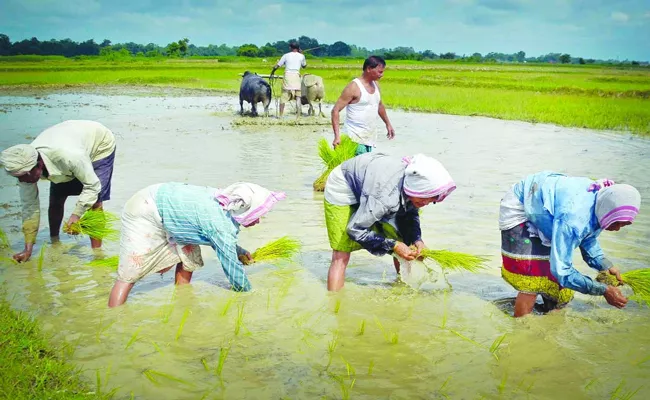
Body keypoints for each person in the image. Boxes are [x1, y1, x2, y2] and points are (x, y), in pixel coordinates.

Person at [108, 181, 286, 307]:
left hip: (169, 207)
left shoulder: (225, 203)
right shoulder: (220, 222)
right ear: (244, 210)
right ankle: (114, 317)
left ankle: (182, 298)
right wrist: (247, 294)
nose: (259, 220)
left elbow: (216, 238)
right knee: (130, 271)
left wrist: (239, 250)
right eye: (257, 214)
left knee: (189, 255)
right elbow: (231, 266)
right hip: (144, 208)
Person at [498, 171, 641, 317]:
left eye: (623, 225)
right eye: (616, 222)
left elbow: (587, 237)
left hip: (547, 208)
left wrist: (605, 265)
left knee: (558, 287)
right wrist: (603, 290)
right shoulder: (573, 218)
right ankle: (521, 327)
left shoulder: (600, 206)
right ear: (607, 210)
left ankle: (548, 316)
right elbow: (562, 271)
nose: (617, 229)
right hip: (523, 204)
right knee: (532, 277)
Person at [324, 152, 456, 291]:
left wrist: (417, 240)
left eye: (432, 199)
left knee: (403, 240)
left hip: (373, 184)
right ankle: (334, 305)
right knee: (341, 253)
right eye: (425, 198)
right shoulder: (385, 198)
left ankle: (402, 290)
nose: (427, 203)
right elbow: (355, 230)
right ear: (417, 190)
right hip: (344, 185)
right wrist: (393, 245)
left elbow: (409, 216)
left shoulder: (413, 189)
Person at [0, 120, 116, 262]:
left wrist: (76, 215)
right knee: (56, 199)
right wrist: (27, 249)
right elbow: (30, 207)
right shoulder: (23, 165)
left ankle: (97, 253)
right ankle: (55, 242)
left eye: (24, 176)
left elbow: (92, 185)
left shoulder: (69, 156)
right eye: (18, 177)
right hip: (65, 140)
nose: (22, 181)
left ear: (39, 165)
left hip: (99, 144)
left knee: (95, 202)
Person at [331, 55, 395, 156]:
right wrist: (337, 137)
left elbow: (379, 105)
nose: (382, 75)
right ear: (369, 69)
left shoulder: (376, 85)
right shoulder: (354, 87)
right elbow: (335, 110)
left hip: (368, 139)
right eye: (380, 71)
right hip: (353, 139)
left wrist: (388, 124)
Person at [271, 42, 307, 118]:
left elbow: (278, 65)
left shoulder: (286, 55)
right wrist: (301, 55)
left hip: (288, 76)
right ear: (298, 48)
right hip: (296, 77)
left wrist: (273, 71)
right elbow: (304, 66)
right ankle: (298, 116)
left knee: (283, 97)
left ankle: (280, 116)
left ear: (290, 48)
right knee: (298, 97)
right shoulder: (302, 56)